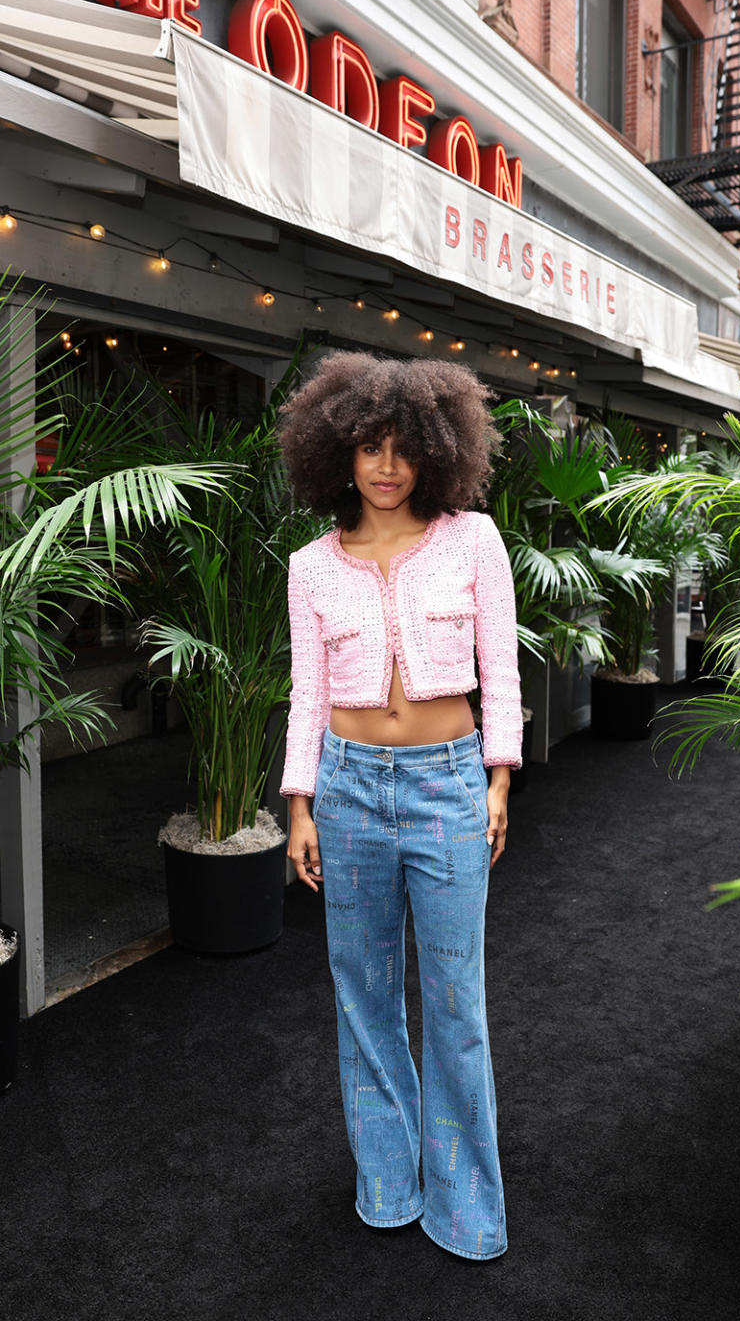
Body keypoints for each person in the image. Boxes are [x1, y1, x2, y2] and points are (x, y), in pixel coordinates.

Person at [277, 350, 522, 1262]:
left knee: (457, 1002)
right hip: (345, 791)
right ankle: (387, 1184)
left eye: (402, 449)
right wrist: (299, 802)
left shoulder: (473, 540)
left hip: (446, 783)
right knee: (364, 998)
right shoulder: (312, 565)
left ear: (432, 452)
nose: (385, 466)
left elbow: (501, 665)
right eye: (367, 448)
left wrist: (498, 778)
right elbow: (306, 691)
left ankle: (467, 1210)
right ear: (337, 455)